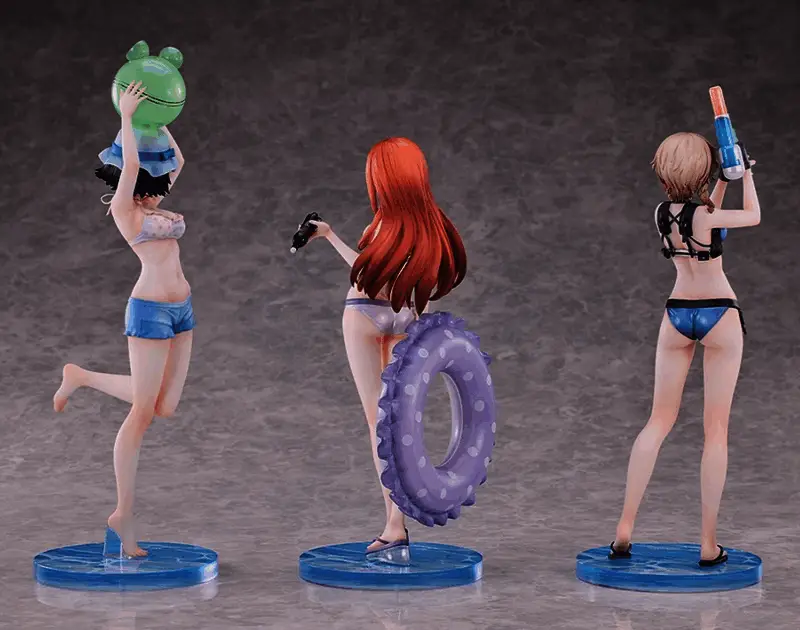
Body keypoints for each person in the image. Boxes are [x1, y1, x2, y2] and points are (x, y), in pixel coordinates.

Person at [308, 137, 467, 561]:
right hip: (407, 317)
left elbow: (365, 274)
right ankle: (398, 521)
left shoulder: (381, 226)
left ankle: (394, 526)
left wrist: (329, 236)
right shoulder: (429, 227)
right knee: (400, 422)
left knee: (377, 421)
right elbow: (420, 284)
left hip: (364, 315)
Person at [53, 82, 194, 557]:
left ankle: (82, 376)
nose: (154, 187)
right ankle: (123, 512)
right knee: (142, 413)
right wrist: (129, 119)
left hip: (183, 308)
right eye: (145, 179)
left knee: (165, 405)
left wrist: (160, 117)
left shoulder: (154, 201)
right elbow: (132, 167)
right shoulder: (123, 209)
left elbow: (178, 160)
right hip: (150, 309)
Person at [610, 132, 760, 566]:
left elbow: (704, 217)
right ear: (704, 173)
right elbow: (751, 216)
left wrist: (723, 180)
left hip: (677, 314)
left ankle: (623, 528)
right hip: (719, 312)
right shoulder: (707, 217)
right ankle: (708, 543)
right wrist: (746, 174)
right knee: (715, 430)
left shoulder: (662, 214)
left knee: (657, 421)